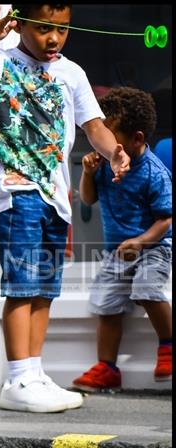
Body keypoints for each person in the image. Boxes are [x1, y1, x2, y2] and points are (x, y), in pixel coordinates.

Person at [0, 5, 131, 412]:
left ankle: (34, 372)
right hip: (15, 191)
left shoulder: (72, 74)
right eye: (43, 28)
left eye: (62, 29)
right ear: (20, 23)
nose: (54, 39)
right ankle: (16, 378)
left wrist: (115, 152)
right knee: (21, 288)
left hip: (55, 197)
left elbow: (93, 126)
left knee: (44, 290)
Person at [72, 87, 172, 392]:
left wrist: (141, 242)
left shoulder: (154, 172)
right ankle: (107, 367)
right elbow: (88, 201)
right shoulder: (103, 163)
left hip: (154, 247)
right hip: (116, 251)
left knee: (146, 286)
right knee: (105, 302)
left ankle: (168, 345)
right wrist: (88, 174)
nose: (100, 141)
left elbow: (166, 219)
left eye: (108, 135)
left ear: (136, 139)